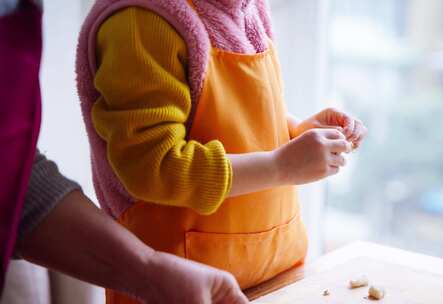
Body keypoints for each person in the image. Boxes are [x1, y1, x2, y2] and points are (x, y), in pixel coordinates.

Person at [76, 0, 368, 303]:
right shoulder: (142, 21)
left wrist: (294, 131)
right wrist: (280, 167)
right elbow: (153, 166)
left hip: (275, 275)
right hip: (181, 289)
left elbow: (237, 121)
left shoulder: (248, 9)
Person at [0, 1, 248, 303]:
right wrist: (280, 166)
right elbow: (156, 165)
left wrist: (151, 273)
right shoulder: (136, 22)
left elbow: (10, 175)